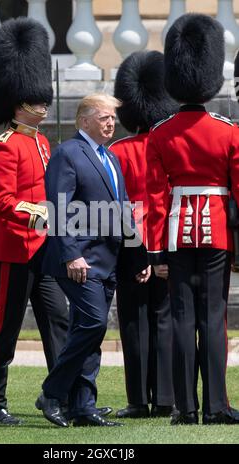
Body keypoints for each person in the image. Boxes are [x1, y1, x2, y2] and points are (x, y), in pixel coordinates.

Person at [146, 13, 239, 425]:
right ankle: (217, 406)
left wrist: (154, 253)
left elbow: (153, 197)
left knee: (183, 320)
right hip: (217, 231)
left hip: (176, 234)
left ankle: (186, 408)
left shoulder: (160, 133)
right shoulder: (228, 131)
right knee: (213, 319)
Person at [36, 93, 150, 427]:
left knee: (89, 332)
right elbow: (57, 207)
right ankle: (52, 393)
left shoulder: (110, 158)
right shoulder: (67, 154)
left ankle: (83, 405)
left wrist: (137, 256)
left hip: (108, 259)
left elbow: (124, 210)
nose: (111, 123)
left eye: (113, 118)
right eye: (104, 118)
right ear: (84, 120)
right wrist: (71, 255)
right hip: (79, 260)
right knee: (93, 323)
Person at [0, 17, 69, 425]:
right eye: (37, 100)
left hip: (42, 247)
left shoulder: (43, 141)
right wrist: (41, 213)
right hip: (14, 248)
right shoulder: (4, 147)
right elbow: (2, 202)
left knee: (58, 320)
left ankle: (62, 395)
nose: (44, 105)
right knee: (6, 327)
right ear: (19, 102)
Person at [109, 51, 177, 419]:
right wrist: (161, 255)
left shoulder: (116, 151)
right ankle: (165, 397)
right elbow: (168, 205)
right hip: (167, 248)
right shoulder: (170, 145)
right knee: (164, 319)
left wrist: (139, 255)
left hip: (130, 250)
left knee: (134, 323)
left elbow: (121, 209)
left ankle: (138, 399)